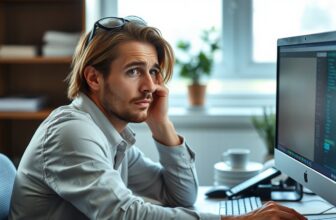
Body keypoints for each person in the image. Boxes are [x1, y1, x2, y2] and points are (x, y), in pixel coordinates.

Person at [9, 16, 306, 220]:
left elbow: (181, 196)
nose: (151, 86)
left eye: (153, 72)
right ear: (94, 78)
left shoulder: (113, 137)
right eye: (134, 71)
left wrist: (162, 125)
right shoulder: (72, 132)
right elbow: (124, 214)